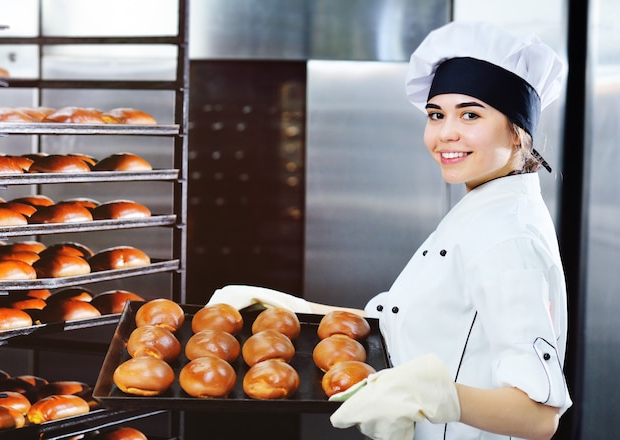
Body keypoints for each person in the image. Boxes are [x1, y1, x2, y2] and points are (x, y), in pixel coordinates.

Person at [207, 20, 572, 440]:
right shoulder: (483, 206)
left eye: (470, 114)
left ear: (518, 132)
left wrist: (436, 396)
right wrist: (303, 312)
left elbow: (539, 416)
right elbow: (427, 323)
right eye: (436, 115)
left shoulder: (508, 238)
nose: (445, 133)